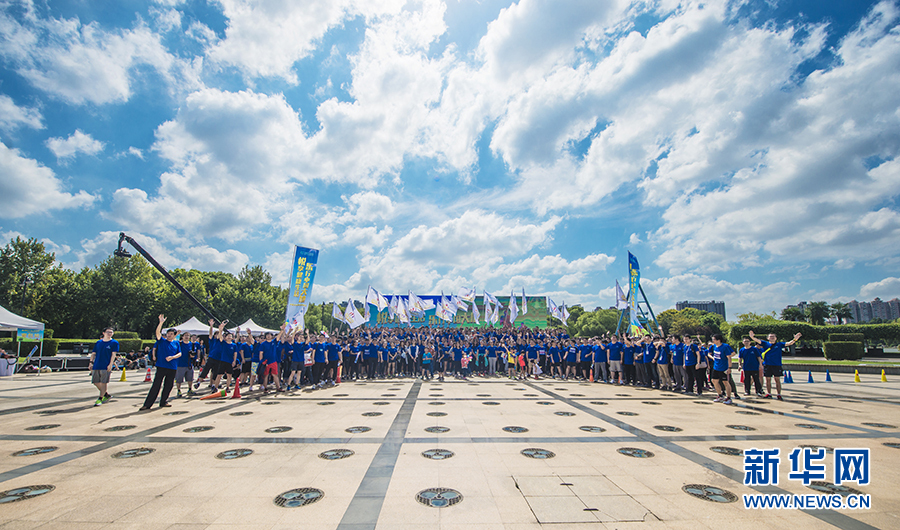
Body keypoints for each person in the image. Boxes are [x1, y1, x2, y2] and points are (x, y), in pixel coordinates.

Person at [749, 330, 801, 401]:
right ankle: (769, 393)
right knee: (768, 380)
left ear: (776, 338)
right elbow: (757, 340)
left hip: (777, 365)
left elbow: (789, 343)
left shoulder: (779, 344)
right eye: (770, 336)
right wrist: (752, 337)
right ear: (768, 338)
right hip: (767, 364)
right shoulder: (765, 344)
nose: (772, 338)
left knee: (777, 380)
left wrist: (795, 339)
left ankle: (779, 394)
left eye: (773, 336)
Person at [141, 315, 179, 410]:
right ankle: (147, 404)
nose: (169, 335)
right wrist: (161, 323)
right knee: (156, 385)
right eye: (168, 333)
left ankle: (163, 401)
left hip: (172, 367)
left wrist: (172, 357)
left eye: (171, 334)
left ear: (175, 335)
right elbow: (157, 333)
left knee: (169, 385)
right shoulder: (162, 341)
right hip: (161, 366)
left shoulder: (176, 343)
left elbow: (180, 353)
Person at [90, 327, 119, 406]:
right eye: (108, 332)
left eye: (111, 332)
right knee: (95, 382)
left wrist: (110, 364)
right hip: (97, 364)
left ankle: (100, 398)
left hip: (105, 365)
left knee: (104, 382)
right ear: (103, 333)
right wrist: (91, 362)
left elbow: (113, 354)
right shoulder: (98, 343)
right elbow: (93, 353)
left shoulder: (114, 343)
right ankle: (106, 394)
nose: (109, 333)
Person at [709, 334, 734, 404]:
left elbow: (729, 358)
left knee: (725, 382)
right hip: (716, 367)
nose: (713, 341)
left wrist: (729, 368)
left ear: (718, 340)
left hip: (724, 368)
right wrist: (713, 358)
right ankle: (720, 395)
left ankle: (729, 398)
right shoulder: (714, 346)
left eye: (714, 339)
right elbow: (710, 354)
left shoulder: (725, 347)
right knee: (714, 381)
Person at [175, 332, 196, 398]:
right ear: (182, 336)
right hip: (180, 364)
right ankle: (178, 390)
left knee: (190, 378)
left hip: (189, 364)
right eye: (185, 335)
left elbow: (194, 354)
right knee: (179, 379)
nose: (187, 337)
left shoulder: (191, 344)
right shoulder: (179, 344)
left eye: (188, 336)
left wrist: (192, 356)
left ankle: (190, 389)